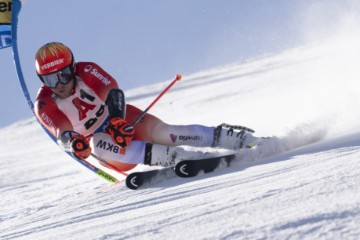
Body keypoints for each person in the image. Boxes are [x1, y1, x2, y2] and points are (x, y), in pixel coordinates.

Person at [34, 42, 260, 173]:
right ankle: (181, 158)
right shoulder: (45, 104)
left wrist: (115, 121)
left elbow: (113, 92)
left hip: (121, 120)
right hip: (109, 149)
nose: (60, 85)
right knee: (97, 143)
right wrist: (75, 143)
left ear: (73, 68)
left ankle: (233, 139)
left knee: (165, 132)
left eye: (63, 75)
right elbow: (62, 133)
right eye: (51, 80)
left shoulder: (87, 70)